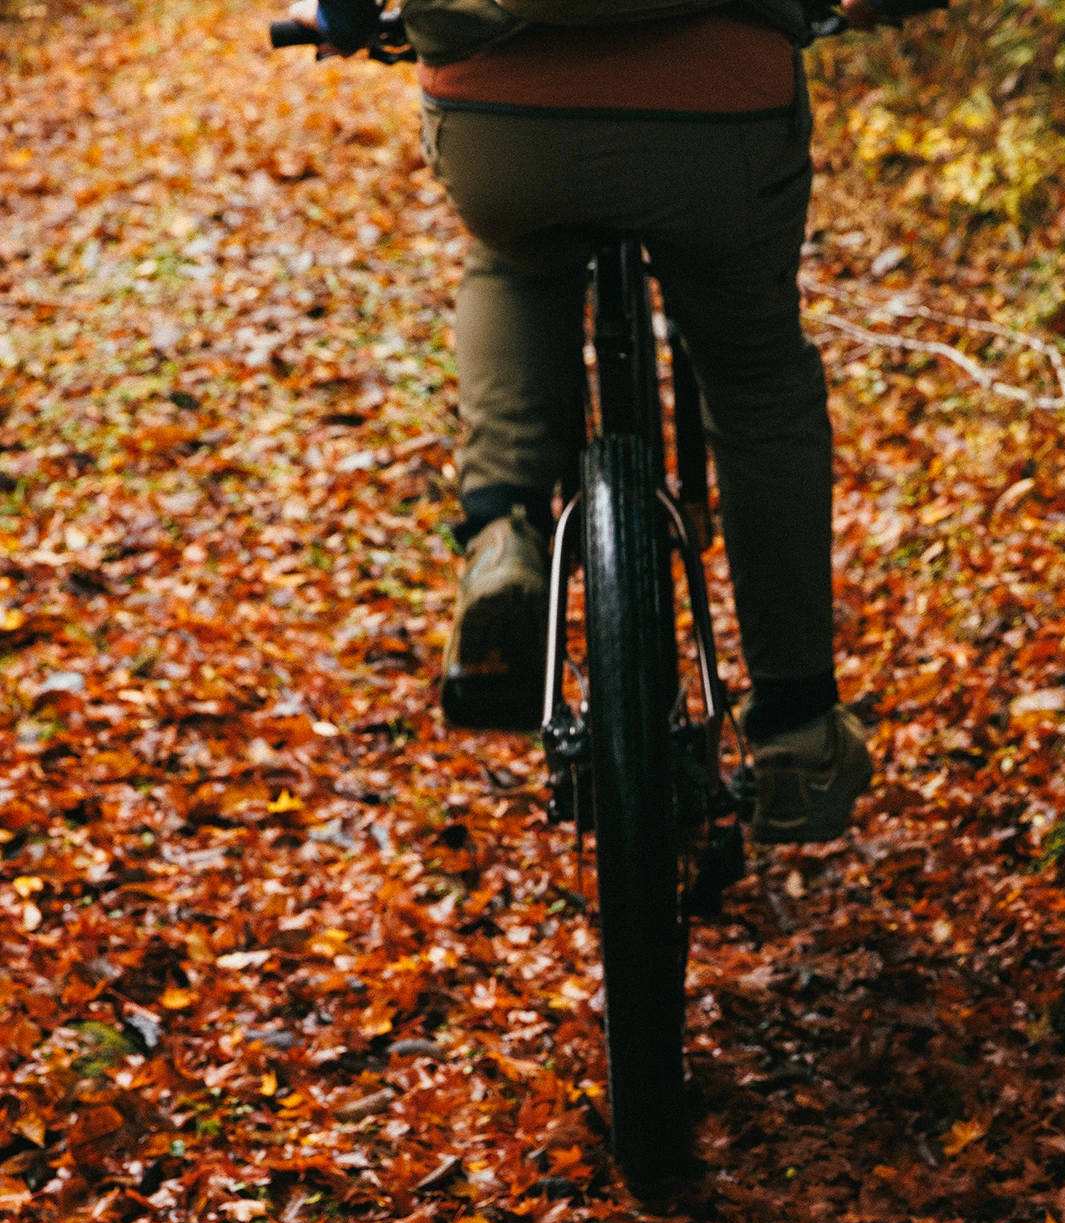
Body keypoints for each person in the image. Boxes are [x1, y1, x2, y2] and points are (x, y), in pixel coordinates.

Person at [284, 0, 940, 841]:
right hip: (718, 123)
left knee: (513, 258)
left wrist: (343, 16)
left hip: (504, 125)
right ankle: (796, 731)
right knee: (757, 381)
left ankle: (501, 533)